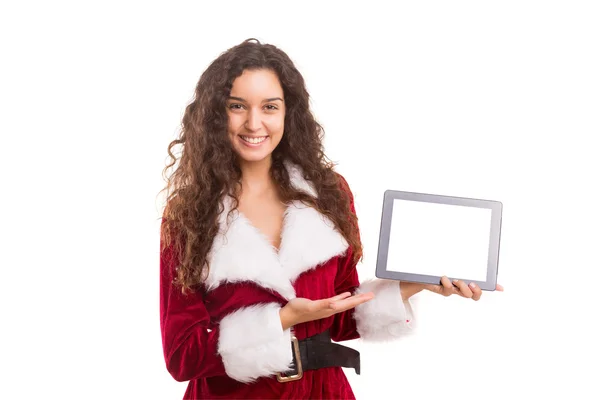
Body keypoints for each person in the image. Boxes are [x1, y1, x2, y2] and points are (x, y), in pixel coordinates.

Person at [158, 38, 503, 400]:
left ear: (289, 112)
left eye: (270, 106)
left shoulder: (327, 193)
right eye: (237, 106)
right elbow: (182, 356)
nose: (254, 122)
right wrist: (283, 319)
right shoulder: (189, 214)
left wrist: (415, 284)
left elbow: (339, 317)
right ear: (216, 114)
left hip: (324, 392)